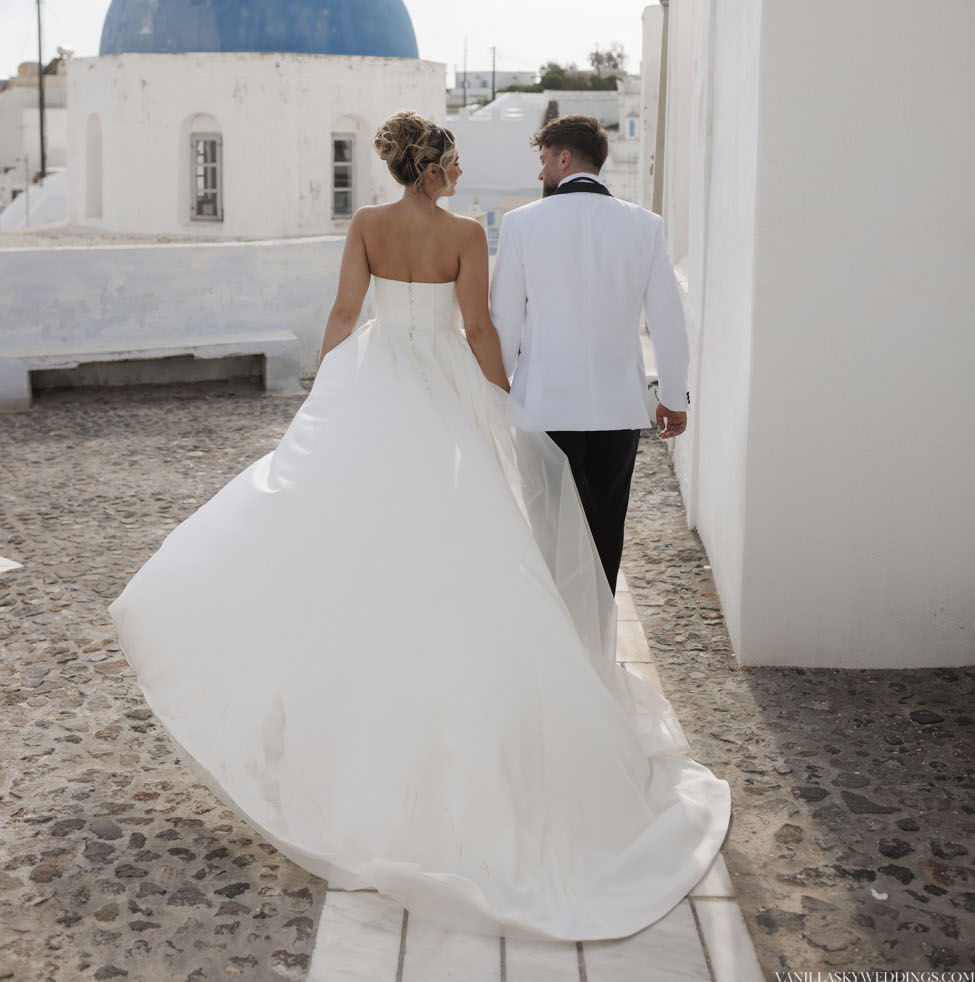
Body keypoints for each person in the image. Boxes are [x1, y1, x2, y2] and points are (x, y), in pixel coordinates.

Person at [109, 110, 729, 942]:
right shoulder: (469, 233)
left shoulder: (366, 224)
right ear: (438, 168)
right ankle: (507, 668)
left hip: (371, 384)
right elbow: (479, 329)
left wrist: (323, 396)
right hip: (444, 385)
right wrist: (498, 398)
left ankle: (361, 677)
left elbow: (340, 314)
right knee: (472, 536)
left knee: (363, 529)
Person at [490, 114, 689, 593]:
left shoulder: (520, 225)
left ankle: (558, 644)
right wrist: (675, 398)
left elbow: (504, 324)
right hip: (616, 408)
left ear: (564, 158)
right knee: (604, 537)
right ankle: (597, 646)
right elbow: (668, 319)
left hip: (543, 409)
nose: (541, 174)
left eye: (543, 161)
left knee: (549, 536)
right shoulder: (645, 226)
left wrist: (494, 397)